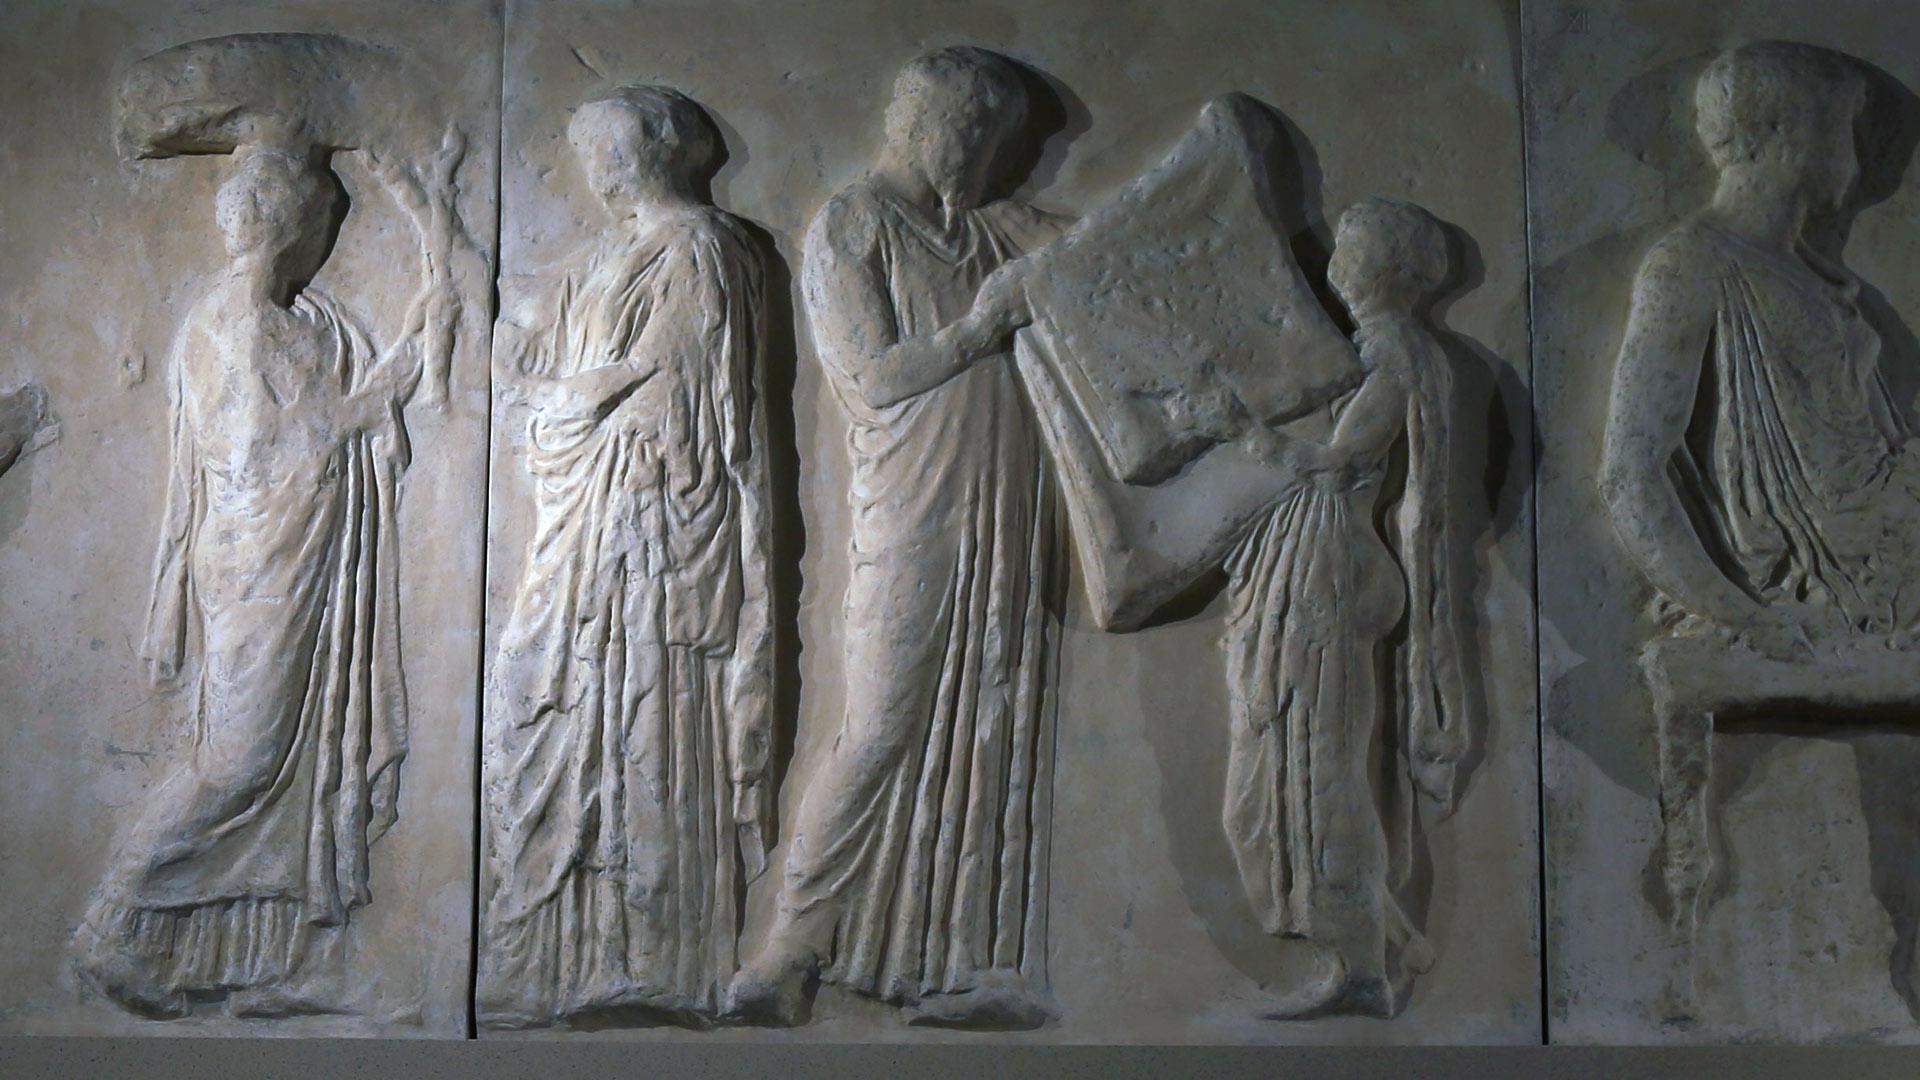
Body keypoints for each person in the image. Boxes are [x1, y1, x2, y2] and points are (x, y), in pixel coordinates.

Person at [728, 47, 1066, 1029]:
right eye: (973, 135)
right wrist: (981, 328)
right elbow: (870, 374)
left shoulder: (985, 229)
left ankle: (966, 961)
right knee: (879, 720)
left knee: (994, 707)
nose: (983, 157)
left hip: (1004, 497)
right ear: (919, 120)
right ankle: (790, 947)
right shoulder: (853, 223)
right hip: (915, 503)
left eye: (998, 144)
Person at [71, 146, 436, 1018]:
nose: (329, 242)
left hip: (294, 557)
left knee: (278, 761)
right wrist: (368, 404)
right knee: (240, 760)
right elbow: (254, 454)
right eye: (326, 226)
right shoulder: (234, 321)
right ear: (292, 226)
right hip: (257, 561)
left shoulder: (289, 317)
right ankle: (112, 921)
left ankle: (231, 958)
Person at [479, 87, 774, 1028]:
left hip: (646, 519)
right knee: (543, 692)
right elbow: (546, 319)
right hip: (590, 518)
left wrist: (559, 400)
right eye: (584, 152)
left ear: (660, 146)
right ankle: (561, 955)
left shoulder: (702, 248)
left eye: (606, 147)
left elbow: (667, 379)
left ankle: (650, 957)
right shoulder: (609, 254)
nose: (595, 169)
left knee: (640, 707)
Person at [1225, 197, 1468, 1019]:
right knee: (1291, 775)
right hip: (1311, 567)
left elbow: (1334, 463)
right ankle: (1379, 943)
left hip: (1329, 568)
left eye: (1355, 252)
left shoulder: (1395, 353)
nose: (1338, 263)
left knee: (1319, 772)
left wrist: (1246, 433)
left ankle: (1362, 964)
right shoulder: (1374, 349)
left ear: (1389, 269)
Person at [1600, 41, 1915, 648]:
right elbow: (1630, 472)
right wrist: (1744, 617)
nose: (1861, 153)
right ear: (1785, 131)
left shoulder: (1813, 274)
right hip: (1827, 560)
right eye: (1845, 128)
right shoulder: (1690, 265)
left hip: (1884, 529)